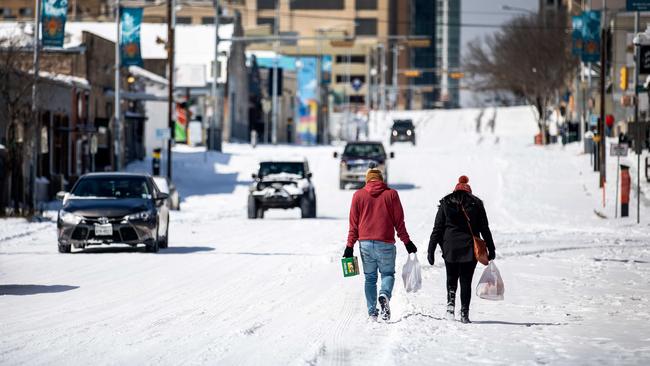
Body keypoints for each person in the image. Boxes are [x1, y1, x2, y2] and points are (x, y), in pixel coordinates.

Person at [343, 167, 417, 321]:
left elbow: (353, 225)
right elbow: (399, 223)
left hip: (365, 245)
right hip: (385, 243)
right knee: (387, 274)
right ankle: (384, 294)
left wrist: (349, 246)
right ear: (381, 180)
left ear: (367, 180)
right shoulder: (391, 194)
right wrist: (407, 242)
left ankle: (372, 313)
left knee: (370, 278)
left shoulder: (358, 195)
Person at [427, 175, 495, 324]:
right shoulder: (476, 204)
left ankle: (450, 307)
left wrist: (431, 250)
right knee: (466, 281)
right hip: (469, 248)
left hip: (450, 247)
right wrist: (491, 248)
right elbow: (485, 229)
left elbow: (437, 229)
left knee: (451, 278)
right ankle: (464, 313)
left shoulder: (445, 203)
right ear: (469, 191)